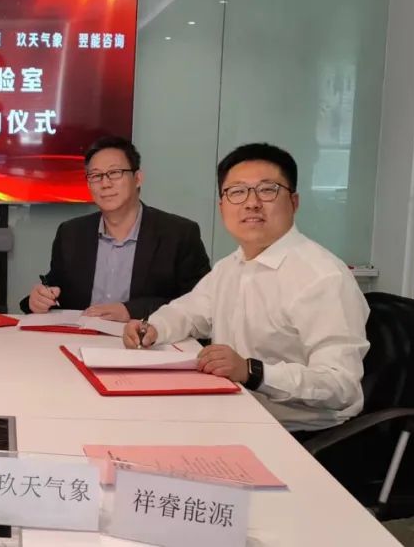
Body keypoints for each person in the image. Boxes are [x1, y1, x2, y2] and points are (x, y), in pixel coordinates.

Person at [123, 143, 369, 431]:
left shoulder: (323, 277)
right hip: (233, 411)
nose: (252, 203)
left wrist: (252, 372)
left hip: (298, 433)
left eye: (267, 190)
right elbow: (189, 312)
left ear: (294, 202)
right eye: (237, 192)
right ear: (222, 207)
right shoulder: (231, 266)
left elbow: (341, 384)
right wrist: (152, 327)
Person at [21, 136, 210, 322]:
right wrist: (39, 300)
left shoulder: (179, 234)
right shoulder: (71, 233)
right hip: (81, 338)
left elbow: (201, 305)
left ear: (138, 178)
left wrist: (131, 311)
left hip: (146, 340)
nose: (105, 184)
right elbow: (56, 293)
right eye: (96, 176)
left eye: (115, 173)